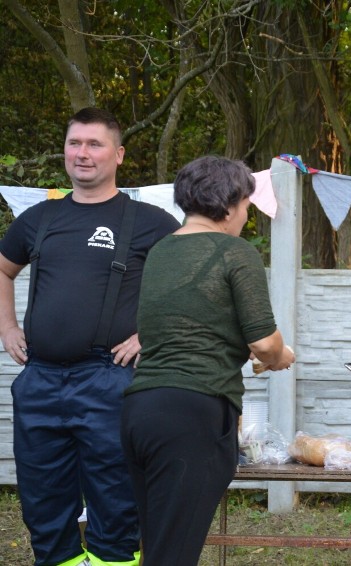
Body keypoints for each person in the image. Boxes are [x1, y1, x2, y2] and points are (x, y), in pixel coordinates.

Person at [0, 108, 181, 566]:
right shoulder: (39, 218)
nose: (82, 153)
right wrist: (7, 327)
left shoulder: (150, 221)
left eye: (94, 144)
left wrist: (150, 333)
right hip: (38, 379)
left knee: (116, 500)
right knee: (42, 501)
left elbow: (194, 280)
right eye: (74, 143)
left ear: (118, 155)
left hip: (109, 381)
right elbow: (2, 269)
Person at [120, 155, 295, 565]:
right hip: (193, 412)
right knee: (174, 556)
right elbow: (265, 343)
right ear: (230, 203)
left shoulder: (161, 250)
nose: (248, 215)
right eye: (248, 206)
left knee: (158, 548)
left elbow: (190, 322)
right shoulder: (236, 251)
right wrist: (280, 356)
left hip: (139, 410)